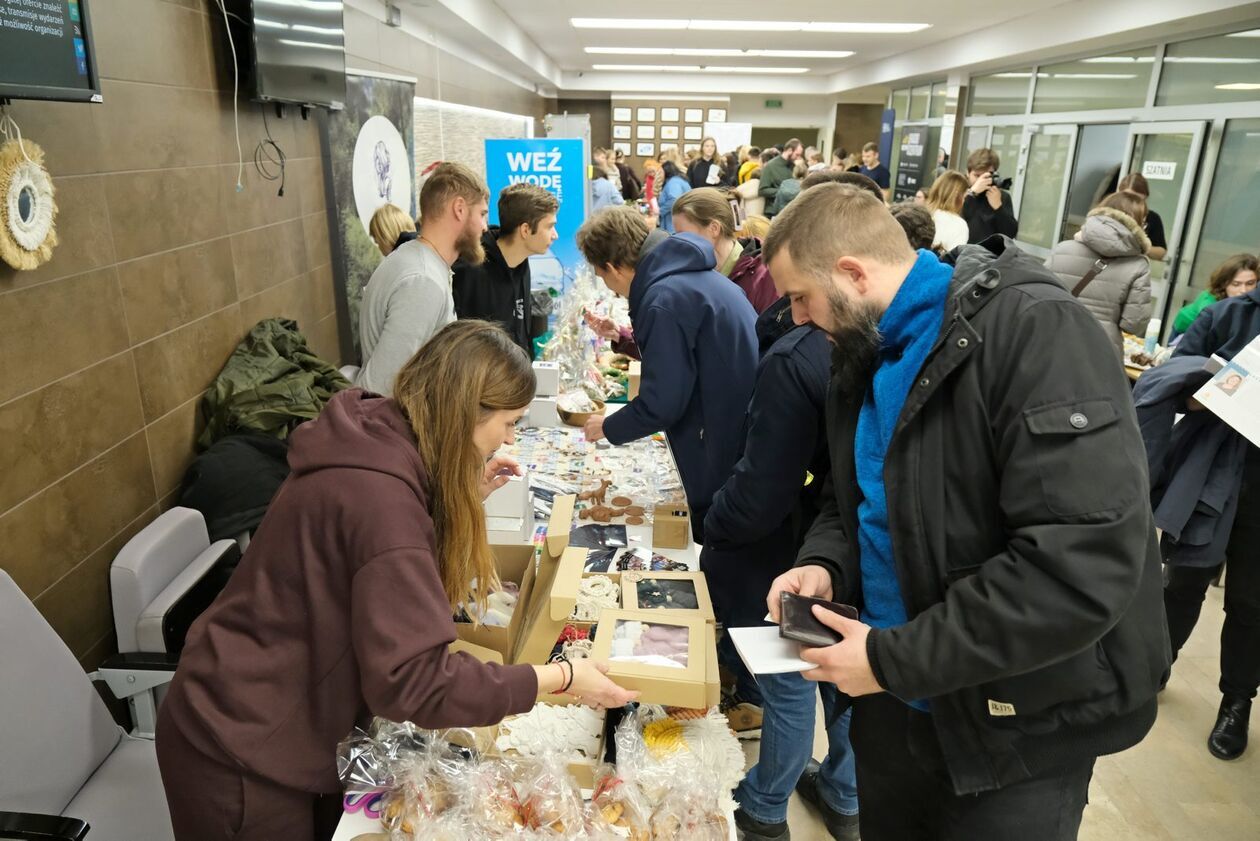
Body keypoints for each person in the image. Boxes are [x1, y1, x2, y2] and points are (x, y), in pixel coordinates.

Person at [762, 183, 1168, 841]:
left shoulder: (1036, 331)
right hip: (892, 709)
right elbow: (854, 495)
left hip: (1015, 728)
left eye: (800, 297)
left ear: (853, 273)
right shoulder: (863, 346)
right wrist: (824, 563)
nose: (798, 317)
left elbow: (1075, 567)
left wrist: (895, 659)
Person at [156, 321, 637, 841]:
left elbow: (378, 557)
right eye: (511, 423)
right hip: (240, 744)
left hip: (283, 717)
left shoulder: (379, 436)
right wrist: (560, 678)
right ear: (465, 414)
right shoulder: (381, 502)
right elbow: (416, 683)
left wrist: (459, 492)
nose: (512, 438)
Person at [700, 250, 859, 841]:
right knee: (848, 682)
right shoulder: (875, 340)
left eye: (797, 297)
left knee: (790, 680)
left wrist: (716, 524)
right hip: (848, 544)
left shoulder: (797, 356)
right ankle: (843, 795)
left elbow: (764, 482)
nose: (792, 312)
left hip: (794, 549)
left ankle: (766, 808)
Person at [576, 207, 757, 543]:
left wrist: (609, 426)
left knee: (711, 537)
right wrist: (626, 339)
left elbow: (664, 402)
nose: (612, 289)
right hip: (734, 427)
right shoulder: (686, 278)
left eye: (604, 278)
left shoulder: (662, 298)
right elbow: (686, 357)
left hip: (718, 442)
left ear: (613, 267)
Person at [1162, 279, 1260, 760]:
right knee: (1184, 580)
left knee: (1252, 603)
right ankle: (1154, 666)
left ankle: (1237, 703)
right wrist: (1202, 390)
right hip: (1215, 472)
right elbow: (1174, 375)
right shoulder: (1230, 316)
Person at [356, 162, 487, 397]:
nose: (485, 227)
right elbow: (379, 390)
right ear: (459, 209)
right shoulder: (422, 280)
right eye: (482, 214)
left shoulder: (422, 264)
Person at [451, 183, 558, 357]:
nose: (555, 234)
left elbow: (521, 335)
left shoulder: (521, 262)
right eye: (549, 226)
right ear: (525, 230)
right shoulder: (470, 269)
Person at [1046, 190, 1152, 360]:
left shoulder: (1063, 249)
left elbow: (1040, 296)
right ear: (1136, 222)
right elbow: (1133, 324)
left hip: (1053, 340)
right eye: (1144, 220)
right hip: (1100, 352)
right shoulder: (1138, 265)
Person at [673, 187, 778, 314]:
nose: (678, 242)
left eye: (684, 235)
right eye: (676, 236)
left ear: (714, 228)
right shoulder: (693, 272)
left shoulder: (764, 277)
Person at [1172, 253, 1259, 335]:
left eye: (1250, 283)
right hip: (1184, 328)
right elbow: (1212, 326)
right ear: (1223, 284)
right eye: (1236, 284)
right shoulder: (1210, 301)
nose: (1243, 290)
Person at [962, 148, 1019, 243]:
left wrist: (999, 208)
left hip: (990, 255)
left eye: (985, 176)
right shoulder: (959, 191)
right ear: (968, 173)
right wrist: (972, 193)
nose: (981, 181)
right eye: (977, 176)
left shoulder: (1001, 196)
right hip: (962, 252)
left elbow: (1010, 234)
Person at [1118, 173, 1168, 261]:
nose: (1132, 202)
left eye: (1138, 199)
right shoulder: (1108, 212)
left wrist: (1142, 246)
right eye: (1128, 197)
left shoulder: (1152, 218)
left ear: (1145, 197)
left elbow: (1161, 252)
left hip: (1133, 268)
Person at [924, 171, 970, 252]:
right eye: (964, 197)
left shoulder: (920, 213)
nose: (963, 201)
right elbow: (953, 259)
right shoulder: (959, 225)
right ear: (956, 196)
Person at [759, 138, 804, 213]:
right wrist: (783, 191)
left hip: (791, 210)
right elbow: (762, 190)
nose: (798, 158)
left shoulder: (794, 166)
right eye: (797, 155)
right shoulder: (770, 166)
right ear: (789, 150)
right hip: (774, 211)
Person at [657, 153, 691, 233]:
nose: (660, 175)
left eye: (661, 172)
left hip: (673, 225)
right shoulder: (677, 180)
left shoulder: (674, 182)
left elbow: (674, 200)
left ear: (666, 171)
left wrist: (659, 211)